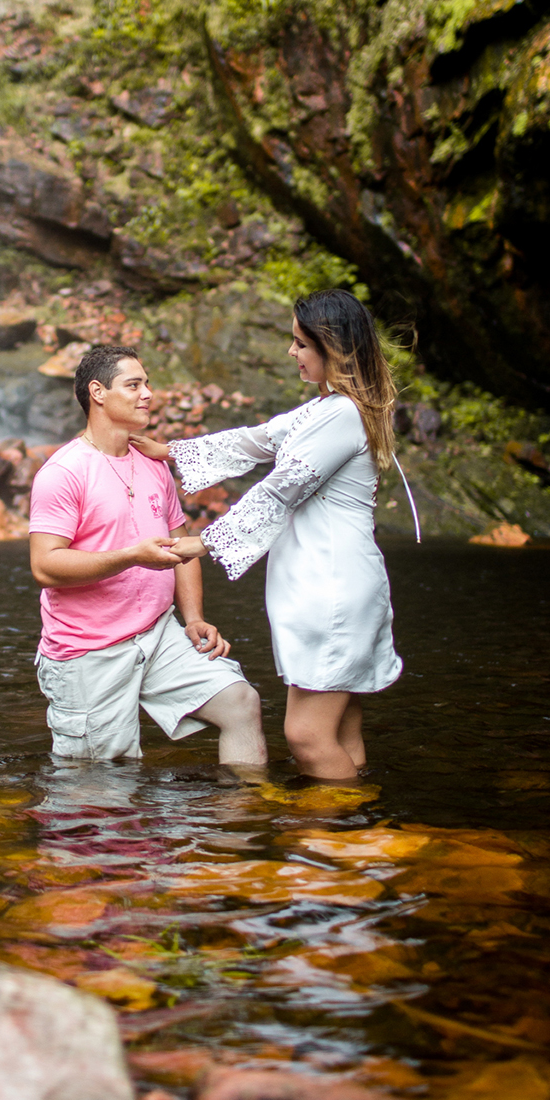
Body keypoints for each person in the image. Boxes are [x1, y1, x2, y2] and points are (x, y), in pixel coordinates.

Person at [131, 289, 401, 782]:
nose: (291, 353)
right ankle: (356, 842)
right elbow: (259, 438)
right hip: (334, 582)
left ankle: (330, 842)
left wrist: (203, 541)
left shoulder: (341, 415)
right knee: (340, 729)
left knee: (306, 736)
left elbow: (283, 489)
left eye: (301, 344)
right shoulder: (329, 408)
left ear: (333, 348)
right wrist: (170, 451)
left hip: (333, 588)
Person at [28, 344, 267, 768]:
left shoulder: (153, 463)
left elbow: (183, 545)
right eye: (134, 384)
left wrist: (192, 616)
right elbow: (45, 566)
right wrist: (130, 556)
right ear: (98, 392)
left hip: (158, 635)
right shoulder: (64, 472)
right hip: (89, 650)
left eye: (147, 384)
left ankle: (241, 823)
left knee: (240, 703)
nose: (148, 394)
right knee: (104, 780)